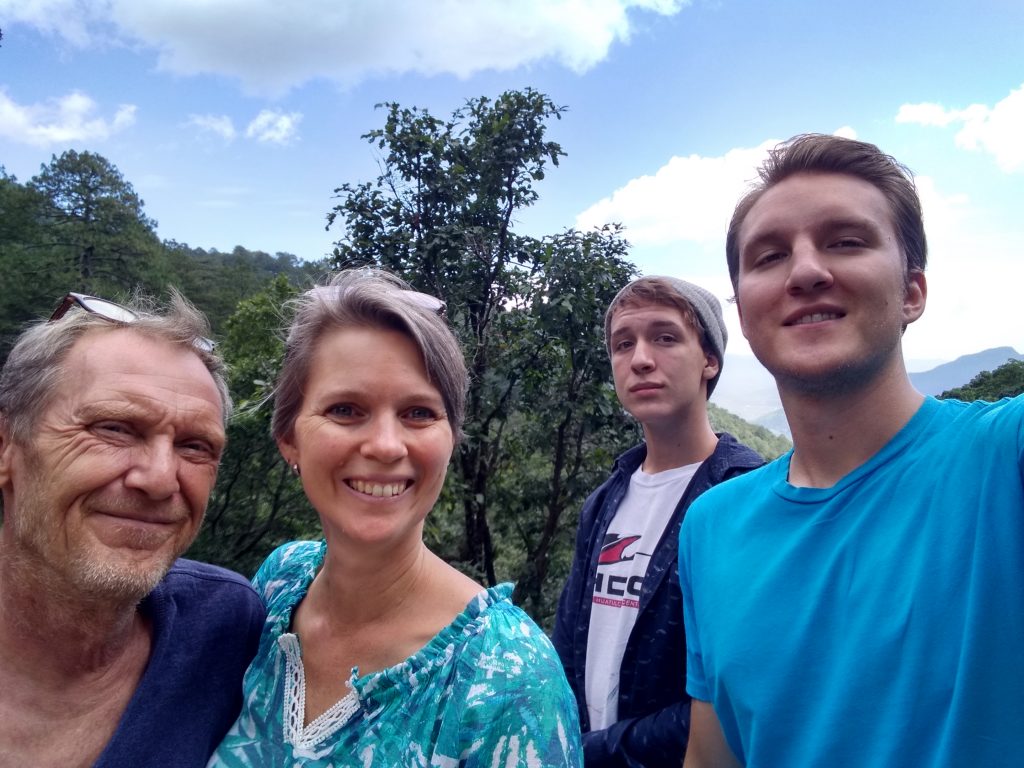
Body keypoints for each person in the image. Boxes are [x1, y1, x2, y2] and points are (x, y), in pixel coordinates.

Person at [680, 134, 1024, 768]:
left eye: (846, 241)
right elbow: (711, 756)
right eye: (770, 256)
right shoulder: (711, 525)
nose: (806, 271)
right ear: (745, 311)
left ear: (912, 292)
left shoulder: (1003, 459)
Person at [210, 268, 582, 767]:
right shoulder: (280, 582)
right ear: (289, 438)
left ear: (451, 440)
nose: (386, 446)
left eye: (419, 413)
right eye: (345, 409)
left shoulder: (506, 676)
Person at [0, 291, 266, 767]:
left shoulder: (226, 627)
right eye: (115, 429)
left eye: (195, 446)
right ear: (7, 447)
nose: (160, 479)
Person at [553, 276, 764, 766]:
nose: (640, 359)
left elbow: (732, 698)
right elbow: (567, 651)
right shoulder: (607, 499)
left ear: (709, 360)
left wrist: (588, 753)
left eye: (665, 337)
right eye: (623, 344)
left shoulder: (744, 497)